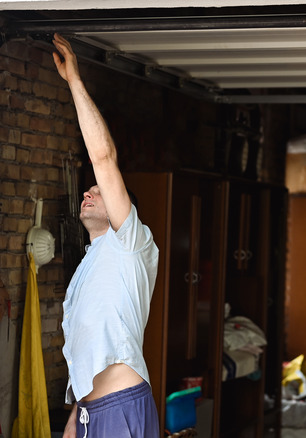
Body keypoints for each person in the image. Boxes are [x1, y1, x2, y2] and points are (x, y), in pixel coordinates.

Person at [52, 33, 160, 438]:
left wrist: (74, 81)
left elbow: (103, 157)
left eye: (98, 190)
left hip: (121, 408)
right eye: (89, 189)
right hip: (89, 414)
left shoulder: (132, 244)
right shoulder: (88, 267)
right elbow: (88, 350)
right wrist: (73, 421)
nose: (88, 191)